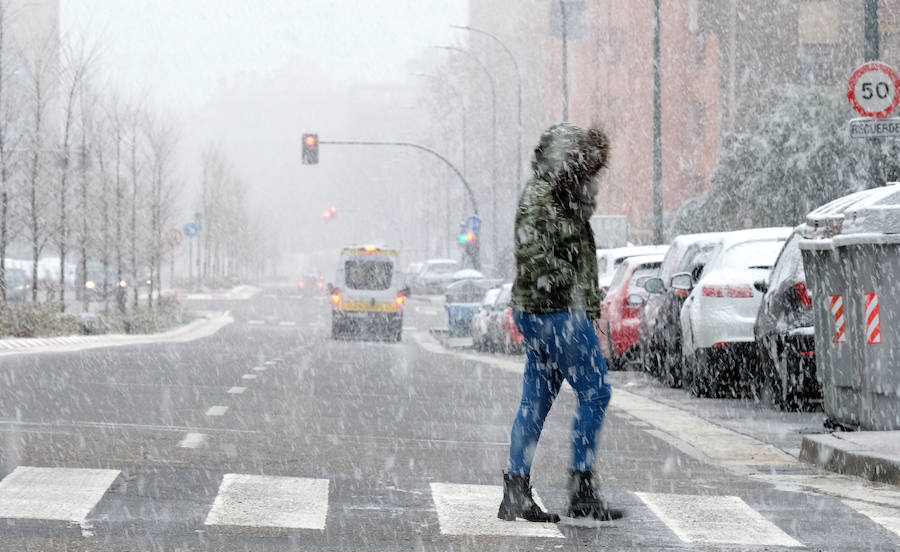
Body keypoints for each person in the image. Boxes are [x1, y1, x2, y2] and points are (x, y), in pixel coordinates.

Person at [497, 123, 622, 523]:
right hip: (552, 311)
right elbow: (533, 255)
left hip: (546, 311)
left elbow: (575, 258)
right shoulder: (543, 197)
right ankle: (582, 488)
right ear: (566, 160)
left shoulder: (564, 197)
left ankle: (516, 490)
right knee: (596, 391)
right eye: (585, 169)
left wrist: (586, 302)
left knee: (536, 402)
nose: (590, 178)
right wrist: (572, 291)